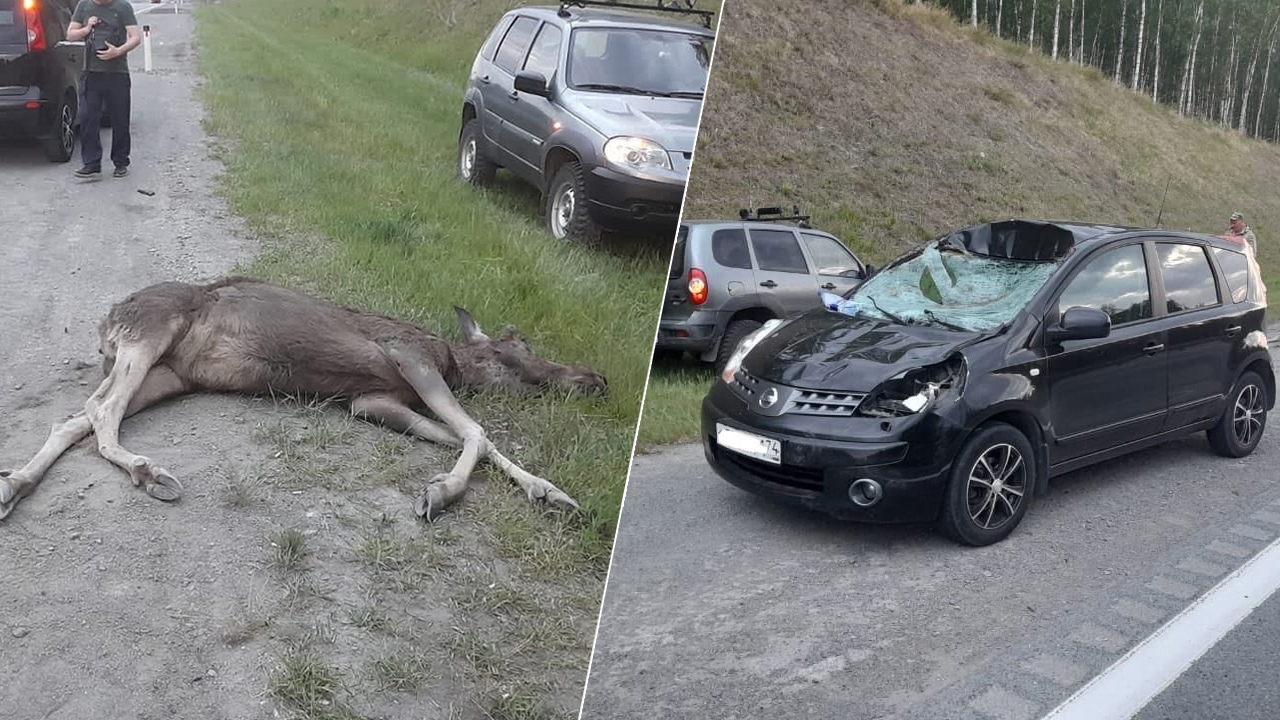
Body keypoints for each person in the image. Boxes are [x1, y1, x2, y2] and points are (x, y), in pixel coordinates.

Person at [66, 0, 141, 180]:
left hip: (117, 72)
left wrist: (118, 51)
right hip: (91, 72)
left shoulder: (122, 7)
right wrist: (87, 29)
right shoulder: (84, 6)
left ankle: (121, 162)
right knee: (88, 118)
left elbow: (135, 37)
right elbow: (70, 35)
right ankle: (92, 164)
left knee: (120, 119)